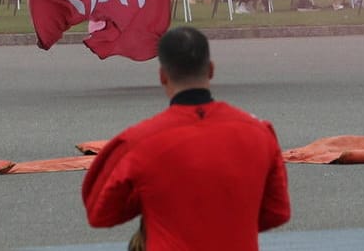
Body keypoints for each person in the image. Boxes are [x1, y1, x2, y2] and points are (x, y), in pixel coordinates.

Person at [82, 26, 290, 250]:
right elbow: (277, 212)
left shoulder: (138, 142)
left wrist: (149, 198)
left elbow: (99, 212)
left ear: (162, 76)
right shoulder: (259, 134)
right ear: (210, 70)